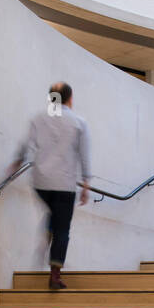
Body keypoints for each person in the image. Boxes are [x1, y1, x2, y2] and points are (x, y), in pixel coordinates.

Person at [9, 82, 91, 289]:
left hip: (41, 182)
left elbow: (25, 144)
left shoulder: (38, 118)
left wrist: (17, 161)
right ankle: (55, 275)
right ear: (70, 98)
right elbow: (84, 154)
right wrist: (86, 184)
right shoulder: (79, 122)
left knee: (54, 215)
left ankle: (49, 229)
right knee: (62, 229)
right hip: (64, 183)